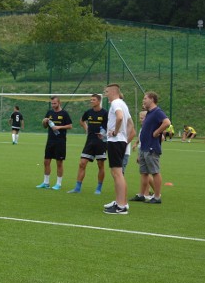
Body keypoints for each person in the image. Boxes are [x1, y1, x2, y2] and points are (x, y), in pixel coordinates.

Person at [130, 92, 171, 205]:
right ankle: (142, 195)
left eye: (145, 98)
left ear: (152, 99)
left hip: (152, 148)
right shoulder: (149, 113)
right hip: (144, 148)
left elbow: (167, 122)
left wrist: (157, 132)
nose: (143, 100)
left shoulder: (157, 112)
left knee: (155, 172)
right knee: (144, 173)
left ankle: (157, 197)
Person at [67, 94, 108, 195]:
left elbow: (109, 126)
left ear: (99, 101)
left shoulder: (105, 113)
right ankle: (77, 188)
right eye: (90, 100)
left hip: (101, 143)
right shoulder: (88, 112)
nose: (91, 101)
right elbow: (81, 121)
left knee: (100, 165)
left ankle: (98, 188)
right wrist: (86, 129)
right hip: (89, 141)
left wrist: (103, 134)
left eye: (93, 100)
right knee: (82, 163)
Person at [103, 83, 132, 215]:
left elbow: (120, 117)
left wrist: (115, 132)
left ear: (113, 92)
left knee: (117, 173)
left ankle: (120, 206)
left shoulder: (115, 103)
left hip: (115, 141)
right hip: (121, 141)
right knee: (118, 173)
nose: (105, 94)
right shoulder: (123, 104)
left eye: (107, 91)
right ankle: (122, 202)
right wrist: (124, 137)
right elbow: (130, 124)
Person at [37, 96, 73, 190]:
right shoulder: (49, 112)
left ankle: (58, 184)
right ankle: (46, 182)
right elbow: (45, 126)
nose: (53, 105)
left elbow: (70, 126)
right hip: (50, 140)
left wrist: (59, 127)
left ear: (59, 103)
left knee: (59, 163)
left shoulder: (64, 113)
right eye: (52, 103)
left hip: (60, 141)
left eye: (54, 103)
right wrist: (44, 122)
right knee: (46, 161)